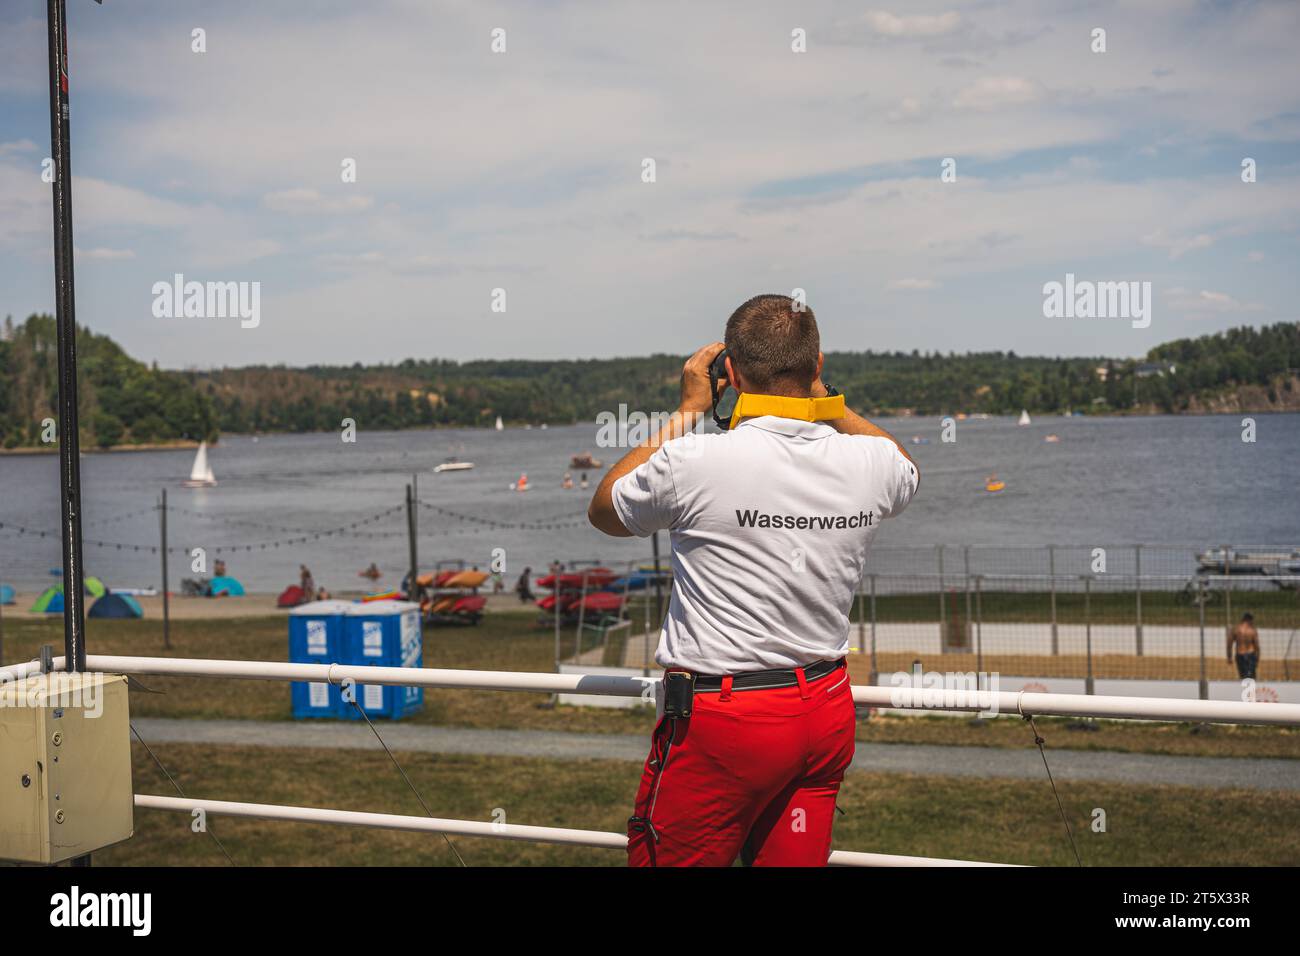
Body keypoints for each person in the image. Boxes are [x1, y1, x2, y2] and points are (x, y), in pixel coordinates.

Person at [588, 294, 919, 867]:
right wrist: (825, 401)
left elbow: (604, 510)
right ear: (817, 368)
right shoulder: (872, 465)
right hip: (823, 709)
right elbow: (904, 466)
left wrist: (689, 408)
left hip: (724, 720)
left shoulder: (693, 461)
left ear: (731, 375)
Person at [1228, 612, 1260, 680]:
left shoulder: (1235, 629)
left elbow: (1229, 644)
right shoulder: (1252, 631)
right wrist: (1257, 659)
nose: (1252, 622)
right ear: (1249, 620)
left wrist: (1229, 657)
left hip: (1239, 655)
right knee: (1251, 678)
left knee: (1242, 677)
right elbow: (1257, 647)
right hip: (1250, 656)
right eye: (1252, 621)